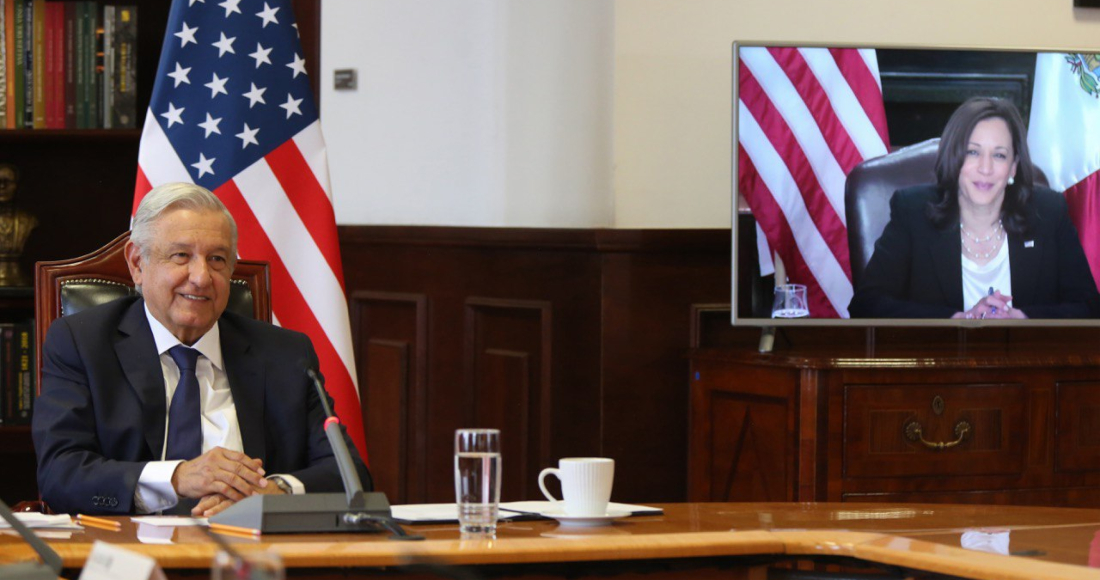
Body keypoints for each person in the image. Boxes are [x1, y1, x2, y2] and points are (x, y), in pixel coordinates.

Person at [33, 182, 371, 516]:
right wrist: (178, 477)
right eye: (181, 256)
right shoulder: (83, 343)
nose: (201, 277)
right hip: (130, 543)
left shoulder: (285, 354)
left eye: (217, 259)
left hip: (252, 544)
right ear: (137, 263)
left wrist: (272, 493)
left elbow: (350, 473)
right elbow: (60, 473)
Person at [848, 97, 1100, 319]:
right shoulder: (913, 211)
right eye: (972, 152)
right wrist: (958, 320)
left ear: (1013, 167)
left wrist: (1023, 319)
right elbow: (866, 304)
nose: (985, 168)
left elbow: (1089, 307)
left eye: (999, 155)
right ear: (954, 158)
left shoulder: (1048, 212)